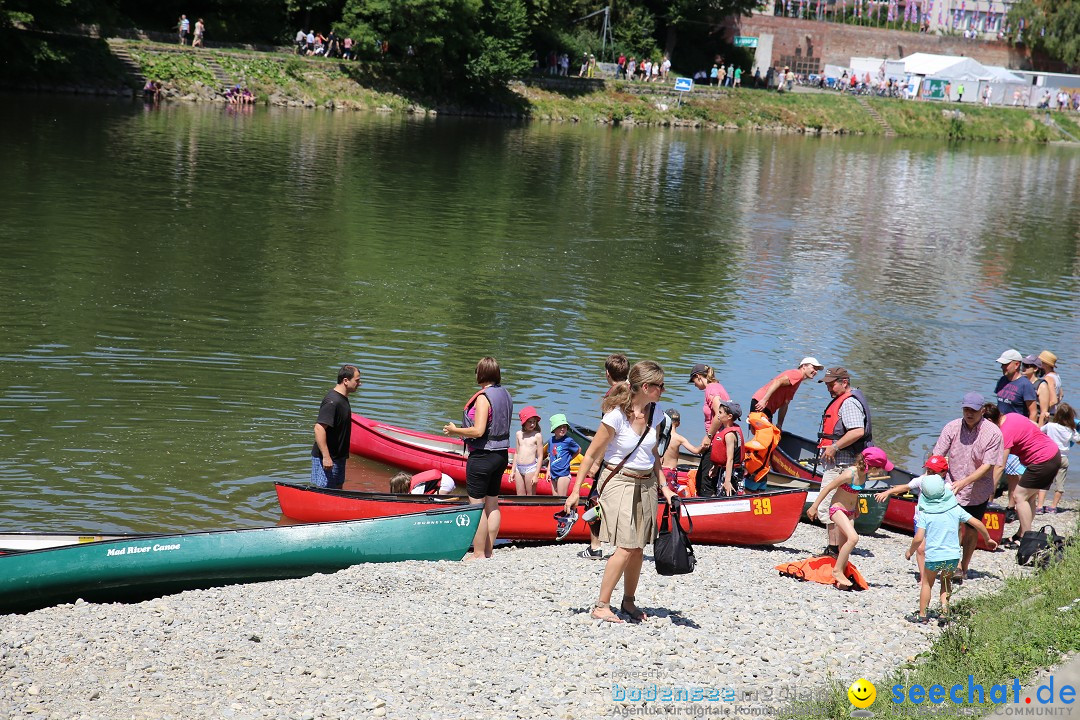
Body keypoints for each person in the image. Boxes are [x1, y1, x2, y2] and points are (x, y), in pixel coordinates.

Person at [563, 361, 676, 623]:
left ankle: (628, 602)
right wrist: (575, 492)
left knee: (637, 547)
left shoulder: (656, 413)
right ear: (646, 387)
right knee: (625, 546)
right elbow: (591, 454)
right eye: (660, 385)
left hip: (646, 483)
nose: (664, 389)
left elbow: (654, 453)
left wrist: (666, 488)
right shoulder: (615, 416)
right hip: (619, 482)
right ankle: (601, 605)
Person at [925, 392, 1003, 584]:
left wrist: (965, 482)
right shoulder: (952, 427)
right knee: (950, 526)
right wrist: (929, 477)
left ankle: (964, 566)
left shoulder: (993, 433)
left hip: (978, 489)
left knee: (970, 528)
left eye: (973, 410)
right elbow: (938, 454)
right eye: (966, 409)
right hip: (950, 485)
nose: (969, 413)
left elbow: (987, 466)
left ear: (982, 411)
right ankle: (951, 564)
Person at [444, 357, 513, 560]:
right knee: (493, 503)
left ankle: (479, 553)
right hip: (501, 455)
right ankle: (489, 551)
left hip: (482, 456)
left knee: (477, 505)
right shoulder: (506, 394)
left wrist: (455, 429)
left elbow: (479, 430)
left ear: (481, 374)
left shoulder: (484, 397)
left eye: (477, 371)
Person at [904, 475, 996, 624]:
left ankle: (922, 615)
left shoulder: (926, 513)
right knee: (946, 582)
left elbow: (918, 538)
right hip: (952, 557)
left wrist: (910, 551)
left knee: (927, 583)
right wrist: (987, 538)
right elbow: (976, 522)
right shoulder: (955, 509)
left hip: (934, 556)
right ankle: (944, 612)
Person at [807, 447, 894, 588]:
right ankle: (837, 571)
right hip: (837, 509)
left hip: (850, 512)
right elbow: (828, 487)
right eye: (880, 468)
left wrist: (857, 507)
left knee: (844, 547)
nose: (881, 471)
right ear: (871, 465)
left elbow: (855, 493)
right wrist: (814, 506)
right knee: (853, 538)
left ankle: (842, 578)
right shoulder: (849, 473)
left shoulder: (865, 474)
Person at [985, 404, 1063, 548]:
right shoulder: (1011, 416)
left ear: (989, 421)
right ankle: (1021, 535)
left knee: (1019, 497)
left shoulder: (1004, 432)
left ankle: (1027, 540)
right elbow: (1034, 426)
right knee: (1029, 498)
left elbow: (999, 466)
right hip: (1052, 455)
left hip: (1043, 460)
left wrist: (990, 494)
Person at [816, 367, 873, 555]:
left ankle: (833, 551)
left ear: (844, 382)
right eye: (827, 385)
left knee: (832, 507)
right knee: (841, 507)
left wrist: (834, 447)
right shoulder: (845, 400)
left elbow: (857, 431)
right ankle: (837, 549)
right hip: (842, 463)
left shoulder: (849, 403)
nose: (829, 389)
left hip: (842, 464)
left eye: (832, 384)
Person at [579, 353, 631, 559]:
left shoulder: (612, 398)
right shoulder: (634, 392)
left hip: (611, 458)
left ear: (607, 374)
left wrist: (595, 463)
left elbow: (606, 436)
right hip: (631, 457)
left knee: (593, 500)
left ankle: (595, 546)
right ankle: (626, 544)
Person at [876, 455, 952, 584]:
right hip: (921, 519)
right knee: (921, 548)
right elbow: (906, 487)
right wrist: (888, 492)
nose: (930, 475)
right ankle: (924, 577)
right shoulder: (922, 480)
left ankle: (940, 571)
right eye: (929, 471)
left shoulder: (947, 487)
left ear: (944, 473)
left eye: (934, 473)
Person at [311, 364, 361, 489]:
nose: (360, 384)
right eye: (357, 380)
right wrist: (326, 457)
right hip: (328, 459)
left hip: (338, 458)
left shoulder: (342, 399)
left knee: (337, 492)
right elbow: (319, 428)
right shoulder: (333, 401)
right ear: (345, 381)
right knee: (325, 494)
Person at [688, 363, 730, 496]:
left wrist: (709, 436)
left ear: (698, 376)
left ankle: (706, 510)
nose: (694, 384)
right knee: (705, 478)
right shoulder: (718, 387)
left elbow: (720, 414)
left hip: (716, 441)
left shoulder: (711, 389)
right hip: (719, 440)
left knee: (704, 483)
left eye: (693, 380)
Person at [749, 357, 824, 428]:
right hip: (761, 404)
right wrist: (764, 400)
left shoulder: (797, 380)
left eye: (817, 370)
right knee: (764, 435)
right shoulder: (797, 374)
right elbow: (777, 382)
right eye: (814, 368)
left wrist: (779, 424)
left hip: (766, 407)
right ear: (804, 366)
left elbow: (785, 404)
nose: (815, 372)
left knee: (768, 435)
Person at [1038, 403, 1078, 514]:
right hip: (1063, 458)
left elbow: (1039, 431)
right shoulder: (1071, 430)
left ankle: (1040, 506)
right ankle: (1053, 507)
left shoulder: (1050, 426)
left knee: (1044, 482)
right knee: (1060, 484)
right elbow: (1078, 440)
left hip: (1050, 456)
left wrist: (1043, 419)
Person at [707, 401, 745, 497]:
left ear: (729, 416)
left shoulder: (729, 435)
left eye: (720, 412)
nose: (718, 415)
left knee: (727, 496)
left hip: (731, 473)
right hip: (724, 470)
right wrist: (716, 467)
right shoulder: (728, 430)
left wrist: (727, 481)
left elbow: (730, 459)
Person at [660, 410, 702, 497]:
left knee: (660, 494)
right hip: (670, 472)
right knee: (670, 494)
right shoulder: (679, 438)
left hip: (660, 470)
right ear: (678, 423)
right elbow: (695, 451)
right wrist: (704, 445)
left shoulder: (660, 436)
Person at [510, 406, 545, 495]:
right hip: (518, 468)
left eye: (534, 422)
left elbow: (540, 456)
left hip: (530, 468)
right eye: (530, 422)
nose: (532, 424)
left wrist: (536, 475)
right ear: (524, 422)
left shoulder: (537, 435)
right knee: (520, 495)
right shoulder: (518, 434)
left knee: (530, 496)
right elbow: (516, 453)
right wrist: (513, 470)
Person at [995, 349, 1036, 421]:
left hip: (1017, 427)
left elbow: (1033, 412)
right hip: (1000, 425)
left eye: (1005, 364)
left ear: (1017, 365)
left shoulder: (1025, 385)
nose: (1002, 367)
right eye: (1002, 364)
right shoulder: (1002, 380)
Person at [547, 414, 581, 497]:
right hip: (553, 473)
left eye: (564, 427)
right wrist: (548, 470)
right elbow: (550, 456)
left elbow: (578, 450)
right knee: (555, 499)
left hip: (563, 474)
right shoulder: (551, 440)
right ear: (554, 429)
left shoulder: (568, 440)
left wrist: (569, 459)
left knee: (560, 499)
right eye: (559, 427)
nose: (562, 429)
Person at [1022, 354, 1053, 426]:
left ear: (1035, 369)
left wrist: (1039, 429)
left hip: (1035, 423)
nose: (1023, 368)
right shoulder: (1022, 382)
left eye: (1027, 366)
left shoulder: (1042, 386)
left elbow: (1044, 412)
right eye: (1023, 365)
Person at [389, 470, 455, 495]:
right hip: (444, 478)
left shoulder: (416, 489)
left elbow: (418, 499)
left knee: (433, 501)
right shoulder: (412, 480)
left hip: (446, 483)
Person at [1039, 351, 1063, 416]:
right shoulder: (1057, 376)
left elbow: (1054, 400)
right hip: (1054, 413)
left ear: (1046, 365)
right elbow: (1061, 395)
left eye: (1040, 363)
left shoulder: (1048, 378)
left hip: (1048, 414)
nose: (1038, 366)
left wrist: (1042, 410)